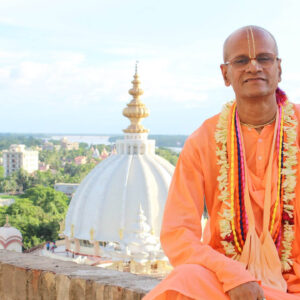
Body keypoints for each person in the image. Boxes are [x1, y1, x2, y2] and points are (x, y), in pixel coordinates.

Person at [144, 26, 300, 300]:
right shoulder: (202, 140)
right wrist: (232, 274)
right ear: (225, 74)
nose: (253, 67)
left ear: (279, 68)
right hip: (225, 282)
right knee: (183, 280)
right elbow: (178, 233)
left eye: (263, 58)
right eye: (241, 61)